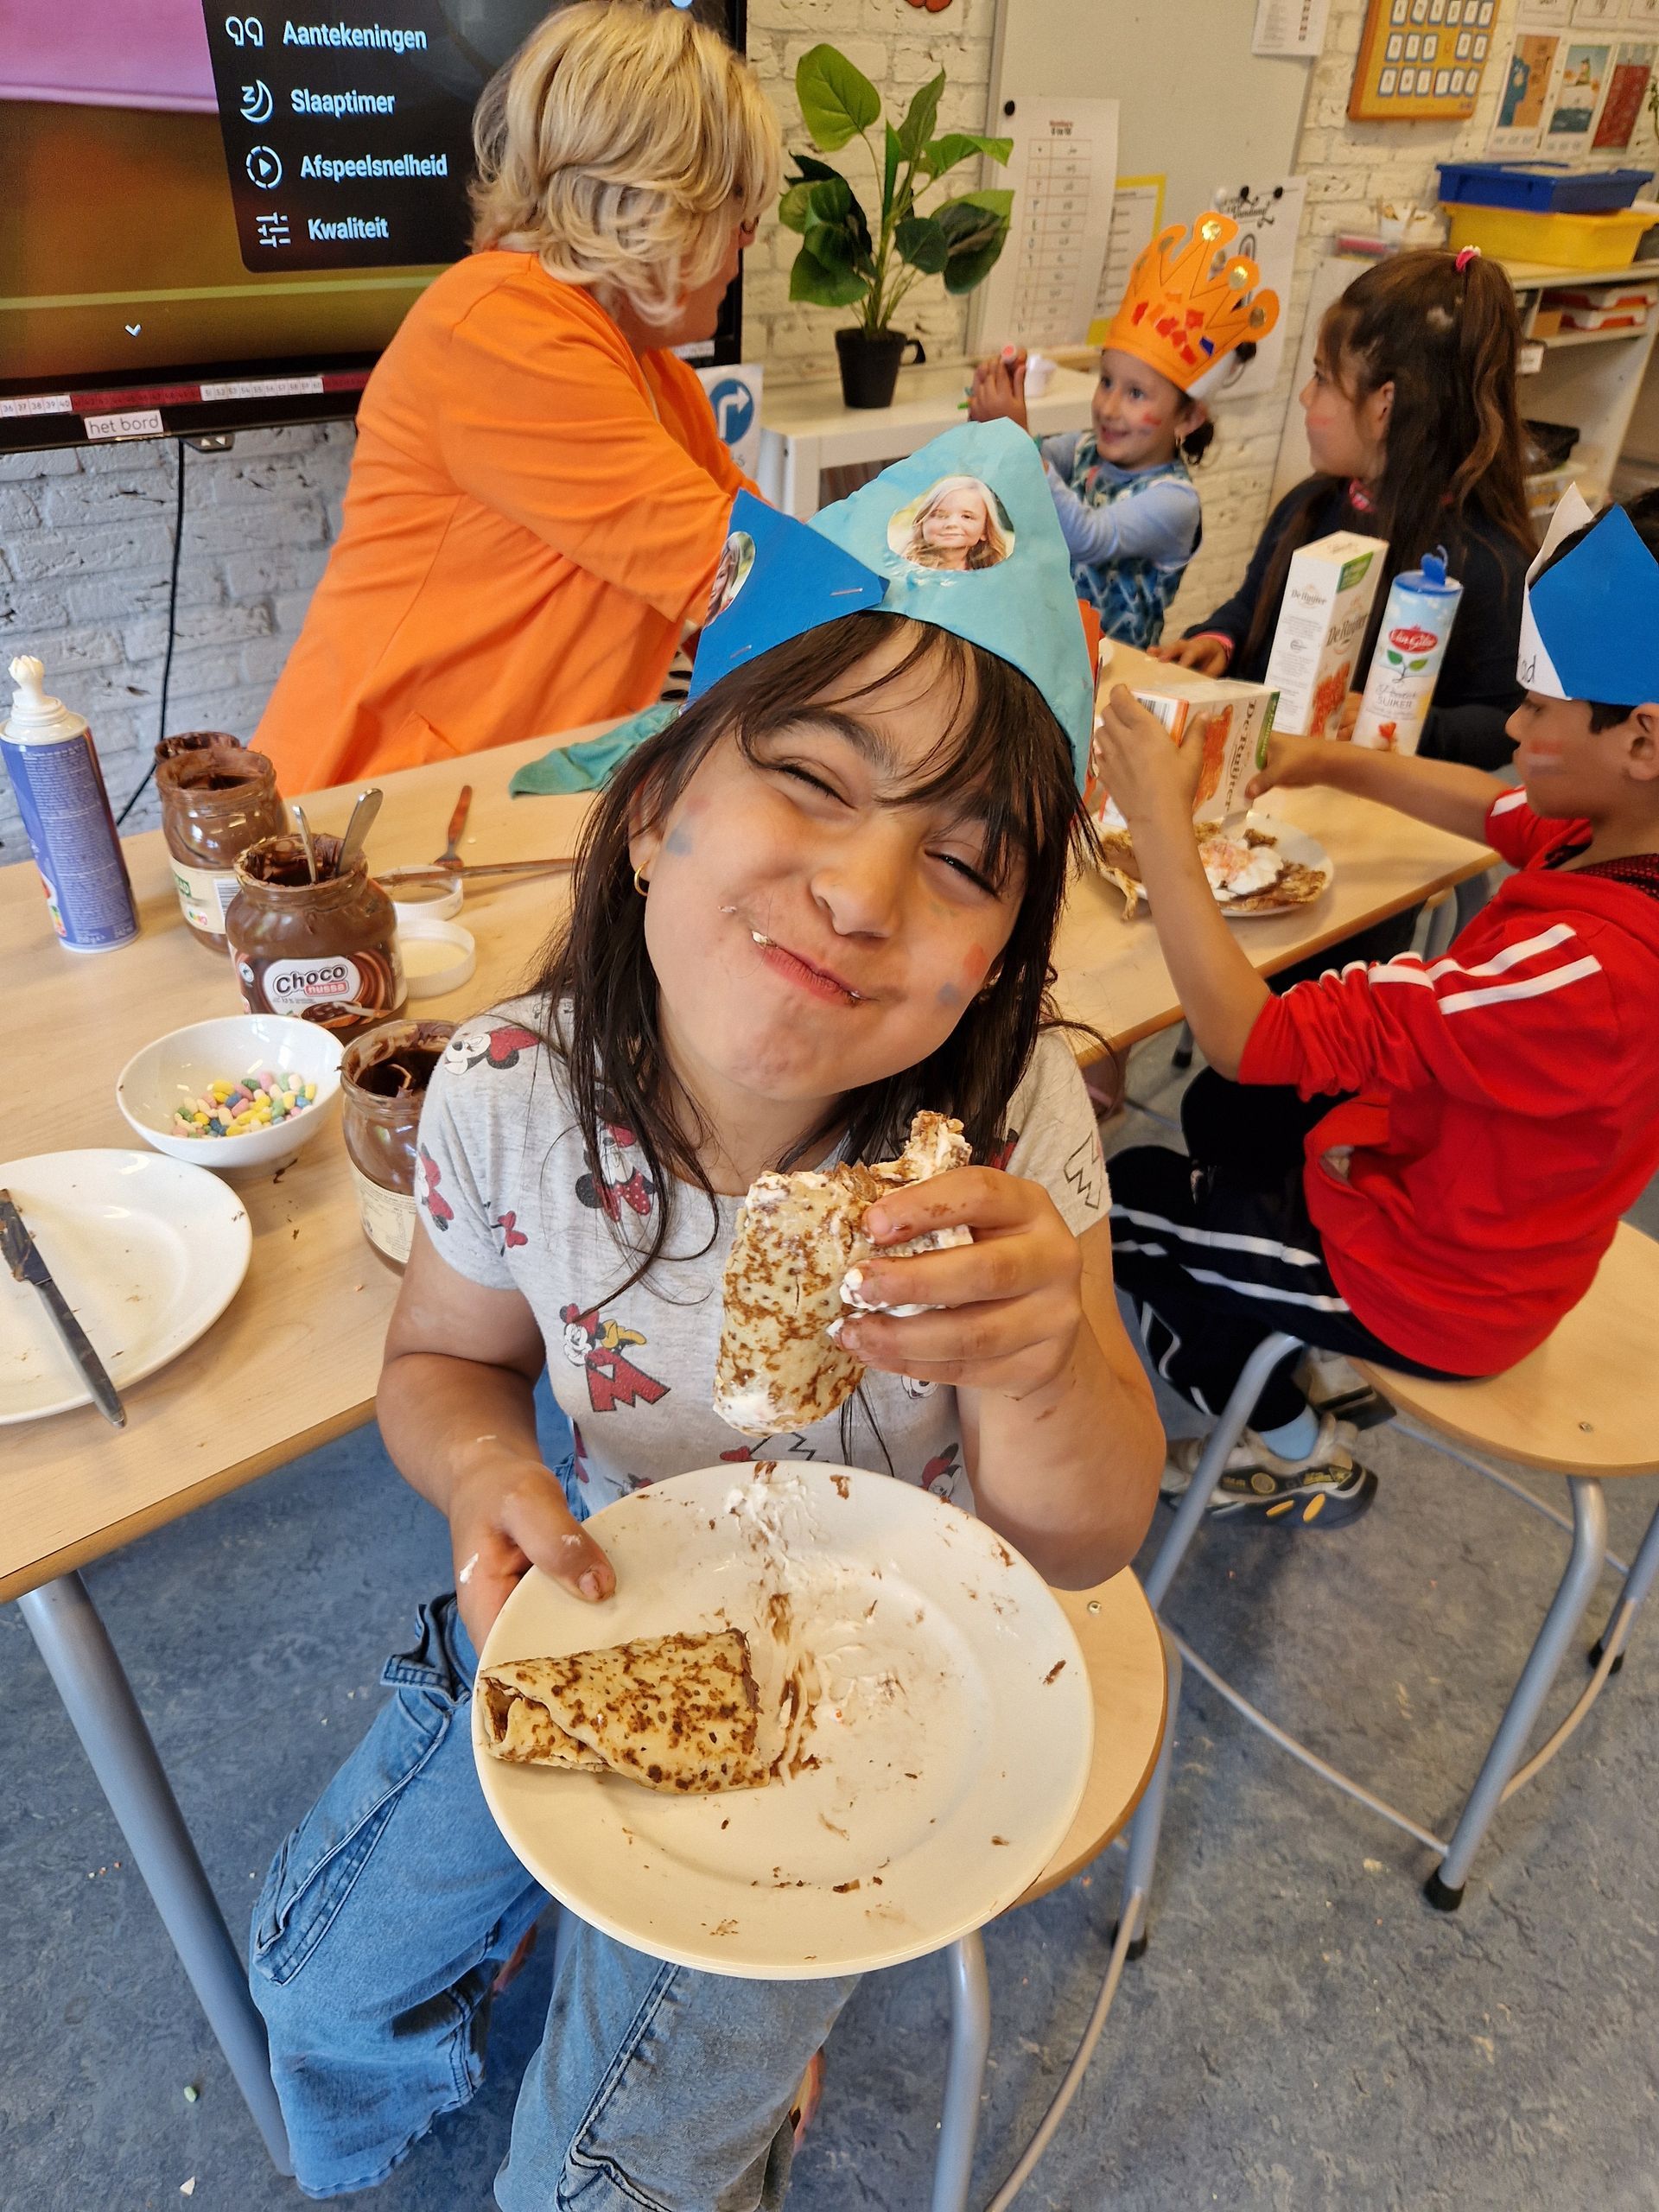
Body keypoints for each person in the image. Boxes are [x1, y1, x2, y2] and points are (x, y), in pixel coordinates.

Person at [248, 421, 1165, 2204]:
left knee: (600, 2172)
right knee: (309, 1970)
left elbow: (1083, 1531)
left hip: (885, 1627)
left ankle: (724, 2050)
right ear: (658, 804)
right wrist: (482, 1476)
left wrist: (1049, 1347)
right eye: (817, 779)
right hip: (592, 1562)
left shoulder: (1009, 1139)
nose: (862, 889)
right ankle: (423, 2088)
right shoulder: (507, 1091)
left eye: (968, 863)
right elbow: (443, 1360)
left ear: (1003, 956)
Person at [1090, 486, 1659, 1526]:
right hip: (1459, 1185)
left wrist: (1159, 823)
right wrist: (1320, 758)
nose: (1517, 725)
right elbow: (1484, 803)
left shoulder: (1585, 975)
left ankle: (1293, 1444)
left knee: (1120, 1195)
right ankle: (1280, 1326)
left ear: (1644, 739)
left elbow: (1242, 1035)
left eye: (1540, 706)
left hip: (1432, 1285)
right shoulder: (1619, 840)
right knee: (1229, 1120)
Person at [254, 1, 781, 791]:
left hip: (498, 798)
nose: (748, 242)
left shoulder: (658, 376)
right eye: (742, 212)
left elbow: (749, 570)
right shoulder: (499, 329)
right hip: (372, 808)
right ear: (659, 202)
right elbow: (736, 571)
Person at [1154, 246, 1535, 772]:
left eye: (1323, 378)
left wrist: (1397, 721)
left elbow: (1506, 725)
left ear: (1385, 406)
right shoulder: (1309, 506)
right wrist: (1219, 642)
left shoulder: (1489, 564)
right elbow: (1253, 607)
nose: (1307, 397)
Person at [969, 210, 1279, 649]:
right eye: (1107, 382)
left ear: (1188, 418)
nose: (1110, 406)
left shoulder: (1174, 502)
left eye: (1136, 394)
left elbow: (1087, 538)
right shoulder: (1081, 450)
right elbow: (1011, 474)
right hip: (1040, 652)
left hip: (1111, 681)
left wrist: (1017, 439)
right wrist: (995, 415)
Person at [899, 474, 1010, 570]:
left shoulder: (992, 579)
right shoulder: (901, 575)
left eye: (966, 517)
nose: (951, 524)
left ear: (985, 530)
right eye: (940, 515)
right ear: (922, 522)